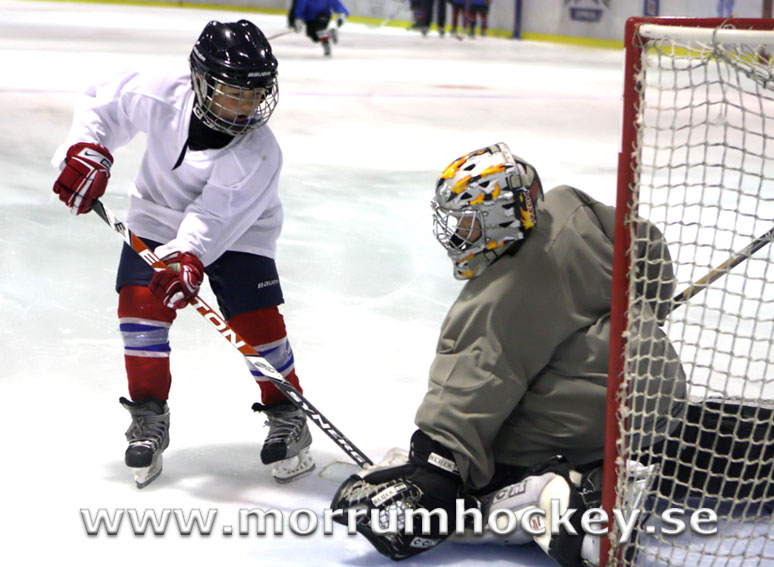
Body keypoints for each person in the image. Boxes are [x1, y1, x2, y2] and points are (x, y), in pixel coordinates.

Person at [331, 142, 689, 565]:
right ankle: (653, 455)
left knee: (480, 470)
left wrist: (436, 468)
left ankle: (562, 496)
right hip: (658, 387)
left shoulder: (499, 292)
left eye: (466, 223)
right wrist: (646, 309)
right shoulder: (573, 211)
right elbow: (646, 249)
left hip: (598, 412)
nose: (455, 234)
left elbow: (476, 378)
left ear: (498, 219)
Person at [51, 20, 315, 488]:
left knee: (256, 320)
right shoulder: (158, 92)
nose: (247, 107)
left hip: (241, 227)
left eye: (255, 95)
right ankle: (148, 416)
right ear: (200, 81)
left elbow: (214, 217)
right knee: (139, 306)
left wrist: (189, 255)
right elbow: (102, 106)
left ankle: (287, 412)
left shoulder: (259, 152)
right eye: (234, 93)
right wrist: (86, 149)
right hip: (155, 214)